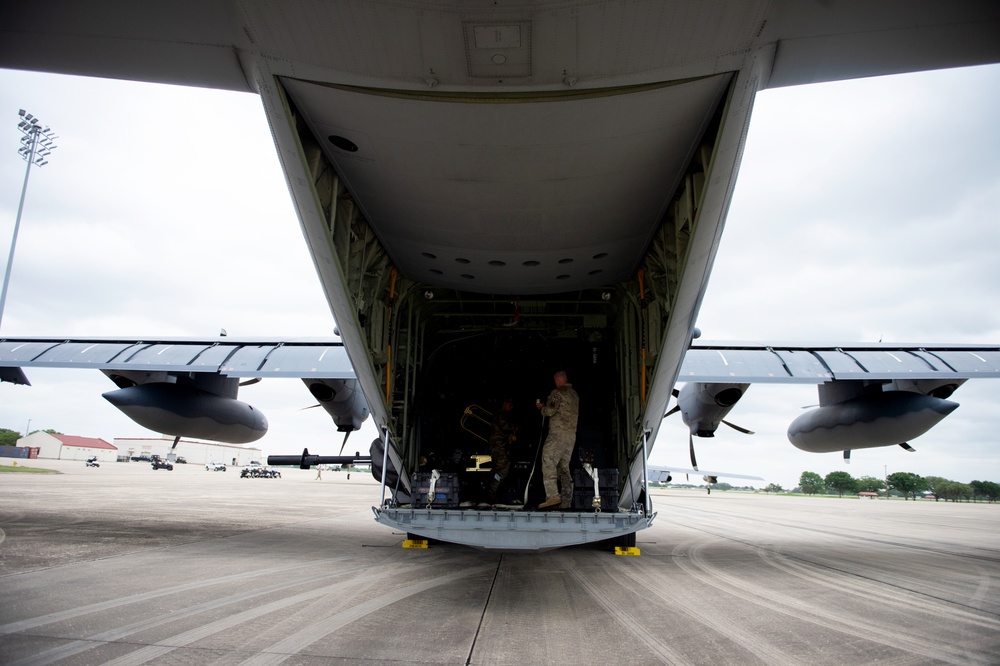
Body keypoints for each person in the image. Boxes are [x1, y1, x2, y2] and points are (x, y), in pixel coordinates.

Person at [536, 370, 579, 510]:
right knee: (563, 467)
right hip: (570, 436)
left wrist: (542, 408)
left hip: (557, 435)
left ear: (558, 379)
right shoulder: (574, 395)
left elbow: (550, 411)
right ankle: (567, 500)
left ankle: (553, 495)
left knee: (548, 459)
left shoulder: (557, 393)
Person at [487, 398, 517, 504]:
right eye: (510, 405)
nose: (511, 408)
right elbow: (505, 426)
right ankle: (492, 492)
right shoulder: (500, 414)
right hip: (498, 446)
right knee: (503, 468)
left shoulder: (503, 414)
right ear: (505, 403)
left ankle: (492, 491)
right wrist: (516, 428)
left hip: (500, 445)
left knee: (498, 469)